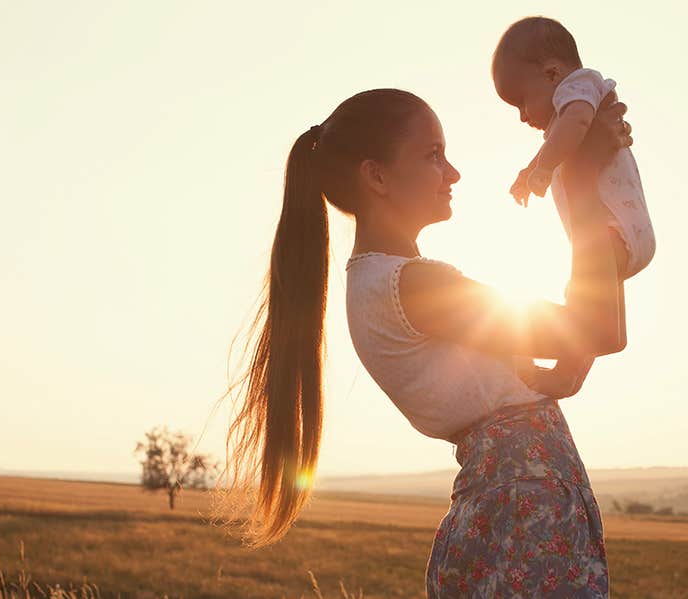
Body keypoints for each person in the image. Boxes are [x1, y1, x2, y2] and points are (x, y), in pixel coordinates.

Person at [219, 87, 633, 597]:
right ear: (377, 177)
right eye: (433, 155)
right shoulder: (413, 288)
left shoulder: (383, 285)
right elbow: (598, 329)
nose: (453, 173)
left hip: (509, 507)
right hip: (523, 515)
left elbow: (586, 339)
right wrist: (584, 180)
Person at [493, 16, 656, 397]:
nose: (522, 115)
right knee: (587, 308)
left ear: (551, 73)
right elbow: (566, 135)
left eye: (521, 101)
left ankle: (567, 373)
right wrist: (531, 169)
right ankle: (571, 374)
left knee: (582, 302)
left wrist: (544, 167)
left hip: (611, 229)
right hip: (618, 234)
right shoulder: (566, 116)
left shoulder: (579, 89)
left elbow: (578, 123)